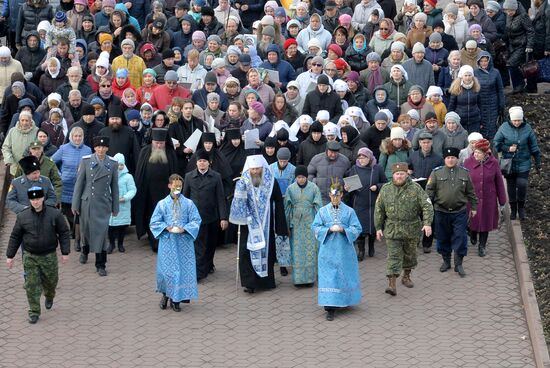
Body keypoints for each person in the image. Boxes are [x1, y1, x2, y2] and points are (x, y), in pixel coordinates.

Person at [6, 187, 70, 324]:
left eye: (38, 199)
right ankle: (34, 311)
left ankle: (49, 295)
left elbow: (64, 232)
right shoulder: (23, 216)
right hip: (30, 255)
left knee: (51, 281)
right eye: (33, 199)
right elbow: (15, 236)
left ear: (43, 199)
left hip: (49, 255)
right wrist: (9, 256)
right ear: (30, 200)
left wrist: (65, 252)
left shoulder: (54, 214)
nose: (35, 202)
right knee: (32, 284)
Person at [229, 155, 289, 294]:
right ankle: (249, 283)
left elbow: (278, 201)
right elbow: (238, 202)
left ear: (262, 168)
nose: (255, 172)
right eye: (253, 169)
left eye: (257, 169)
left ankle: (266, 282)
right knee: (246, 252)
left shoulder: (270, 181)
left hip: (266, 223)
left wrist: (280, 225)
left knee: (266, 251)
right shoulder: (243, 181)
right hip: (248, 224)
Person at [375, 162, 433, 296]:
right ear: (393, 175)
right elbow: (379, 209)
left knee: (410, 255)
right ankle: (392, 284)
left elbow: (427, 205)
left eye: (402, 174)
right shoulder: (386, 189)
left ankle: (406, 276)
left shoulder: (416, 188)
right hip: (392, 229)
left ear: (407, 174)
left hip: (411, 228)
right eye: (397, 174)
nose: (399, 176)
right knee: (393, 256)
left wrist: (427, 223)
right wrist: (378, 227)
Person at [312, 179, 362, 321]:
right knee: (329, 277)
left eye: (337, 196)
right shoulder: (322, 212)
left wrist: (344, 229)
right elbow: (315, 227)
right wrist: (327, 229)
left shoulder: (349, 211)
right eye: (333, 196)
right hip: (327, 251)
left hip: (344, 251)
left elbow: (357, 228)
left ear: (341, 195)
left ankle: (343, 300)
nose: (335, 198)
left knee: (343, 276)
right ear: (329, 195)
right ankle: (329, 307)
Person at [150, 174, 202, 312]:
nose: (177, 188)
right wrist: (165, 227)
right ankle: (165, 296)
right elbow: (154, 222)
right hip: (167, 242)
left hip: (183, 243)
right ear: (169, 186)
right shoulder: (162, 204)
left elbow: (196, 220)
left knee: (181, 271)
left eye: (179, 186)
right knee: (167, 271)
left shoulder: (189, 204)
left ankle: (176, 299)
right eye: (175, 186)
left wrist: (185, 228)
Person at [72, 136, 119, 277]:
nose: (101, 149)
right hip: (87, 202)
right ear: (94, 147)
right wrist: (75, 204)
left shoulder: (113, 163)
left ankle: (100, 264)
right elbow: (79, 183)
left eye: (104, 147)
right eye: (98, 147)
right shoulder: (86, 161)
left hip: (103, 203)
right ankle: (85, 250)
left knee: (102, 235)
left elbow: (114, 187)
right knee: (86, 231)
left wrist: (115, 206)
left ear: (107, 148)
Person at [426, 147, 477, 277]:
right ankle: (446, 261)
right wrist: (427, 207)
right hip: (441, 211)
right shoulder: (436, 173)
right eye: (448, 158)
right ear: (444, 159)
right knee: (443, 237)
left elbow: (471, 192)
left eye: (453, 158)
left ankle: (459, 264)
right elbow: (429, 191)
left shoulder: (464, 173)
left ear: (457, 159)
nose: (450, 160)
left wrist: (474, 207)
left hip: (459, 211)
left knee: (460, 237)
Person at [183, 150, 228, 281]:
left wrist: (223, 217)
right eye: (199, 161)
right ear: (196, 163)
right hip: (195, 218)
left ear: (209, 162)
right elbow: (185, 198)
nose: (202, 163)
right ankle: (199, 272)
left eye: (204, 161)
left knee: (211, 244)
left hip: (212, 217)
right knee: (199, 246)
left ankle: (208, 265)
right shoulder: (189, 177)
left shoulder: (216, 176)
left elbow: (220, 197)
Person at [134, 128, 178, 251]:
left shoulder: (170, 152)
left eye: (161, 143)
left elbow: (175, 173)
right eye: (156, 143)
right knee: (150, 214)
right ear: (152, 141)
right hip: (148, 191)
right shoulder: (145, 151)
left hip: (165, 191)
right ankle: (153, 239)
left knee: (165, 216)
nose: (158, 145)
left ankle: (162, 238)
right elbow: (139, 173)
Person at [493, 106, 541, 220]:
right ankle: (513, 209)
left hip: (524, 162)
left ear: (522, 119)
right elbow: (496, 144)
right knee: (511, 186)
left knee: (522, 185)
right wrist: (508, 148)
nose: (517, 123)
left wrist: (538, 163)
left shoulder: (527, 129)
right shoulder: (504, 128)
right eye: (514, 120)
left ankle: (521, 208)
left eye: (519, 120)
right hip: (509, 163)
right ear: (510, 119)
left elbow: (534, 147)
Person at [463, 139, 507, 257]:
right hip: (472, 199)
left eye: (479, 152)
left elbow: (499, 182)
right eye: (475, 151)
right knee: (473, 220)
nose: (475, 154)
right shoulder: (467, 162)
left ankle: (482, 246)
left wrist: (502, 200)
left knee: (485, 222)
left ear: (486, 153)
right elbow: (463, 181)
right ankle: (472, 233)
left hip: (489, 199)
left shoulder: (494, 163)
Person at [52, 127, 92, 251]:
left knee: (79, 212)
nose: (77, 138)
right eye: (75, 136)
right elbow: (52, 161)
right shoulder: (63, 149)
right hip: (65, 186)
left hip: (81, 186)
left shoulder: (88, 150)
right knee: (68, 212)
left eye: (80, 136)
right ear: (71, 137)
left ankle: (78, 238)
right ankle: (73, 231)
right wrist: (59, 175)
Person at [344, 147, 387, 260]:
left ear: (370, 158)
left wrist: (377, 187)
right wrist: (347, 188)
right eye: (360, 157)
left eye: (364, 157)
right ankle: (361, 251)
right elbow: (347, 185)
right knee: (360, 229)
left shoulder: (377, 168)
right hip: (359, 203)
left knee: (372, 228)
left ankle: (371, 246)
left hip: (373, 203)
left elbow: (386, 184)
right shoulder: (354, 168)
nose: (361, 160)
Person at [284, 165, 323, 286]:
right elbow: (287, 207)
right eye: (298, 177)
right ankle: (298, 279)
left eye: (303, 177)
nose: (301, 179)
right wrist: (286, 224)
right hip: (296, 223)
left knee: (311, 249)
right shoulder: (290, 188)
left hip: (310, 221)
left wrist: (319, 224)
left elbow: (319, 207)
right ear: (296, 177)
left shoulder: (314, 188)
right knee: (297, 251)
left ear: (306, 177)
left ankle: (310, 279)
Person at [407, 132, 444, 253]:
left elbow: (441, 174)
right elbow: (409, 168)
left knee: (429, 218)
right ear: (419, 143)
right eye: (423, 142)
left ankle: (427, 243)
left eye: (428, 142)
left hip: (431, 192)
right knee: (414, 217)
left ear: (432, 142)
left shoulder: (438, 158)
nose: (426, 144)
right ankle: (414, 240)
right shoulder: (413, 156)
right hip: (416, 191)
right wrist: (409, 172)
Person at [108, 153, 137, 254]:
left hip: (123, 205)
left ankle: (120, 244)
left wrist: (125, 198)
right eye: (117, 164)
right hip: (111, 205)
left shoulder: (128, 177)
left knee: (122, 227)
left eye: (121, 164)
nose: (119, 167)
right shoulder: (109, 175)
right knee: (110, 226)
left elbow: (132, 190)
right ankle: (111, 244)